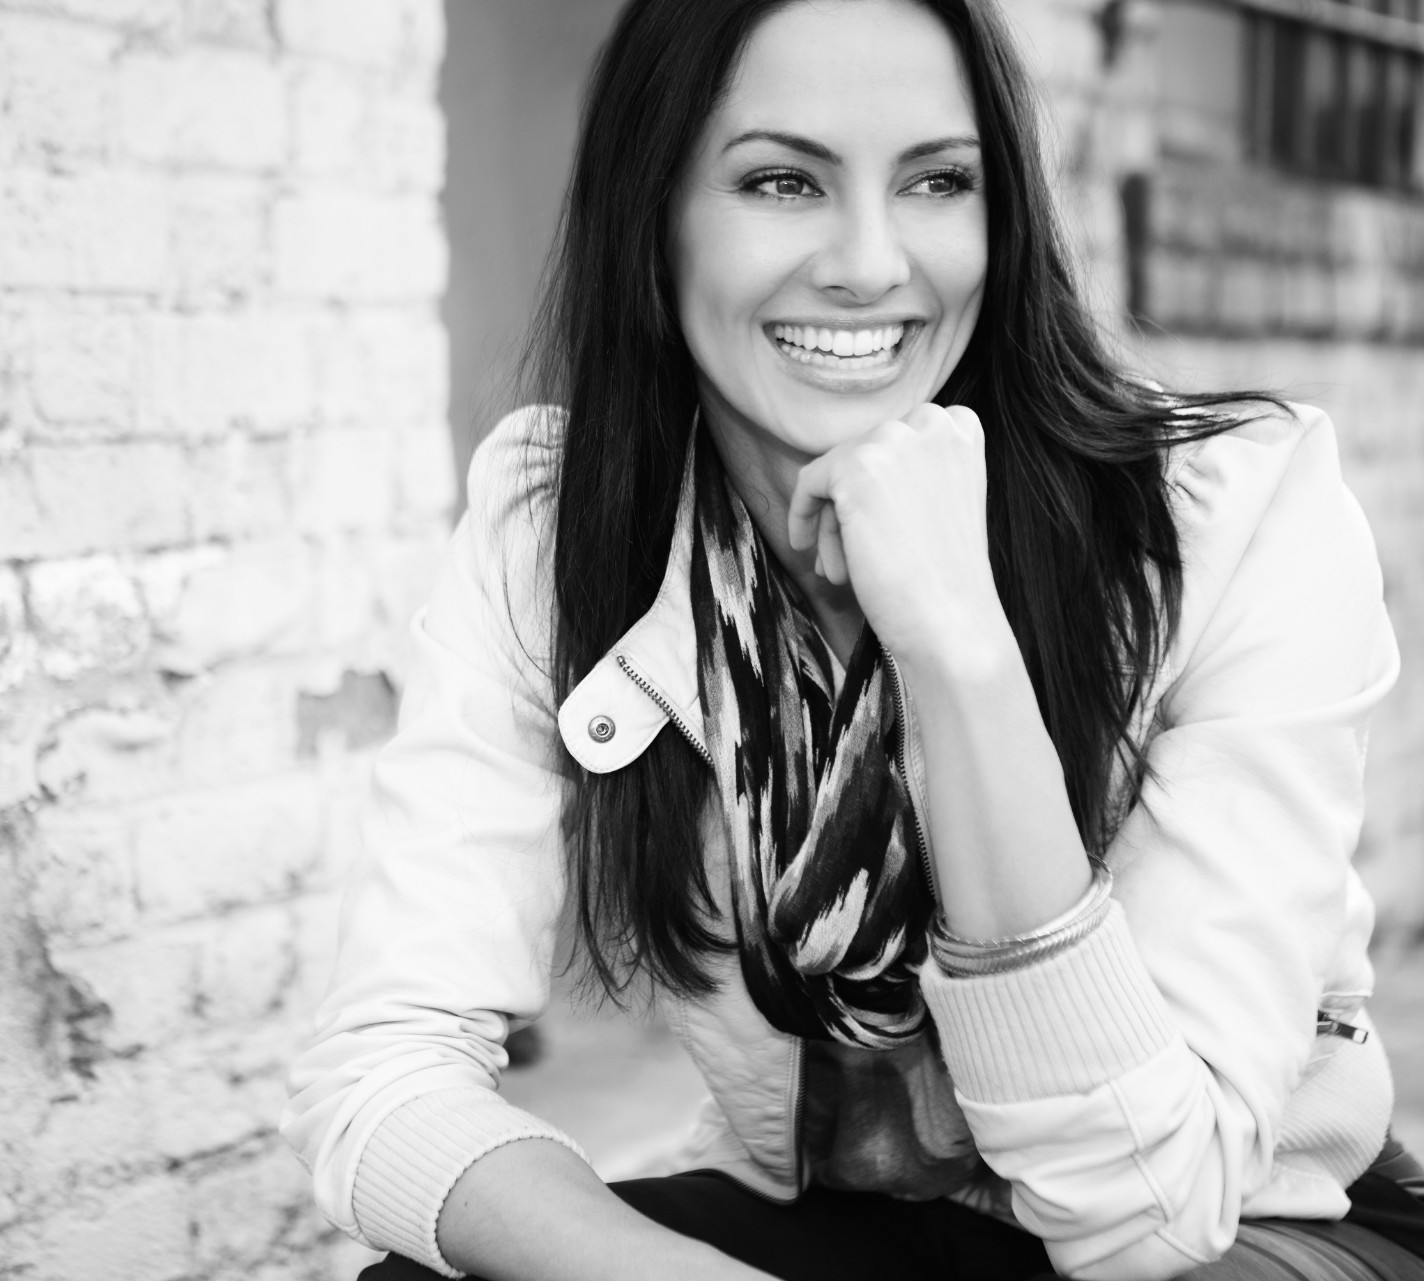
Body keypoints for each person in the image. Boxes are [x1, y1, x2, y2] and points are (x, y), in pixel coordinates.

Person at [283, 1, 1424, 1278]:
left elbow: (1146, 1214)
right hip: (869, 1224)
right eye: (782, 181)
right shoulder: (565, 523)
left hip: (1239, 1229)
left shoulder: (1229, 517)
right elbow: (383, 1068)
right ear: (652, 220)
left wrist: (959, 646)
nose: (872, 264)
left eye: (938, 182)